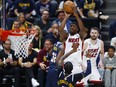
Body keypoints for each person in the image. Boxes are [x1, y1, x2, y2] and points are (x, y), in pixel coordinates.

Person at [58, 6, 88, 74]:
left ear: (77, 29)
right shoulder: (66, 36)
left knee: (77, 83)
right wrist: (66, 17)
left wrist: (76, 15)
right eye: (71, 26)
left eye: (74, 26)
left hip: (78, 62)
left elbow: (82, 29)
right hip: (67, 61)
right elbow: (60, 30)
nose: (71, 27)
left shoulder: (80, 36)